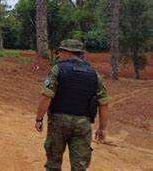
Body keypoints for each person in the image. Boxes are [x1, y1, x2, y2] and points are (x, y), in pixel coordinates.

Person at [34, 39, 110, 170]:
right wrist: (102, 128)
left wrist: (39, 119)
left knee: (53, 164)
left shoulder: (58, 69)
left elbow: (46, 96)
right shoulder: (94, 74)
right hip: (83, 124)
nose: (59, 55)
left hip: (58, 122)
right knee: (80, 166)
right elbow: (104, 103)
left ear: (67, 52)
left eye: (60, 52)